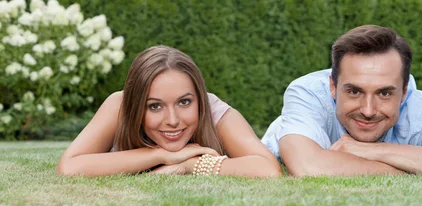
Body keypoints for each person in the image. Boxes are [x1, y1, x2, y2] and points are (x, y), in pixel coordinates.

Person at [262, 25, 422, 176]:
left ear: (404, 92)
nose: (368, 111)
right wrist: (408, 170)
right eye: (354, 92)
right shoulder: (307, 93)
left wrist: (372, 151)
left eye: (384, 93)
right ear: (333, 87)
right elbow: (308, 167)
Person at [57, 46, 282, 177]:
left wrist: (189, 164)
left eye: (184, 102)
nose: (173, 120)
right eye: (155, 106)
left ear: (199, 99)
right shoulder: (119, 106)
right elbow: (68, 167)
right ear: (135, 105)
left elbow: (268, 169)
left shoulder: (217, 113)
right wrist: (160, 155)